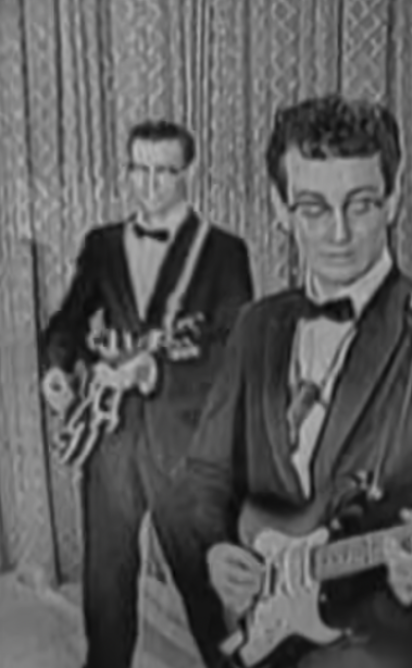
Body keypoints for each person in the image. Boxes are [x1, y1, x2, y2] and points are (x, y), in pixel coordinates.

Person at [151, 95, 412, 668]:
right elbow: (203, 479)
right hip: (263, 634)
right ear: (279, 208)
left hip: (382, 643)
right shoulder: (255, 327)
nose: (339, 233)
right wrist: (215, 553)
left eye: (362, 204)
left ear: (394, 199)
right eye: (314, 208)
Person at [39, 120, 254, 668]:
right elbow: (67, 321)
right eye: (140, 169)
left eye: (165, 171)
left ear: (189, 174)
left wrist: (153, 375)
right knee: (106, 585)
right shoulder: (102, 244)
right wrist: (59, 369)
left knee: (209, 590)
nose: (150, 184)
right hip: (111, 442)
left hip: (187, 448)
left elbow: (233, 355)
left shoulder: (224, 252)